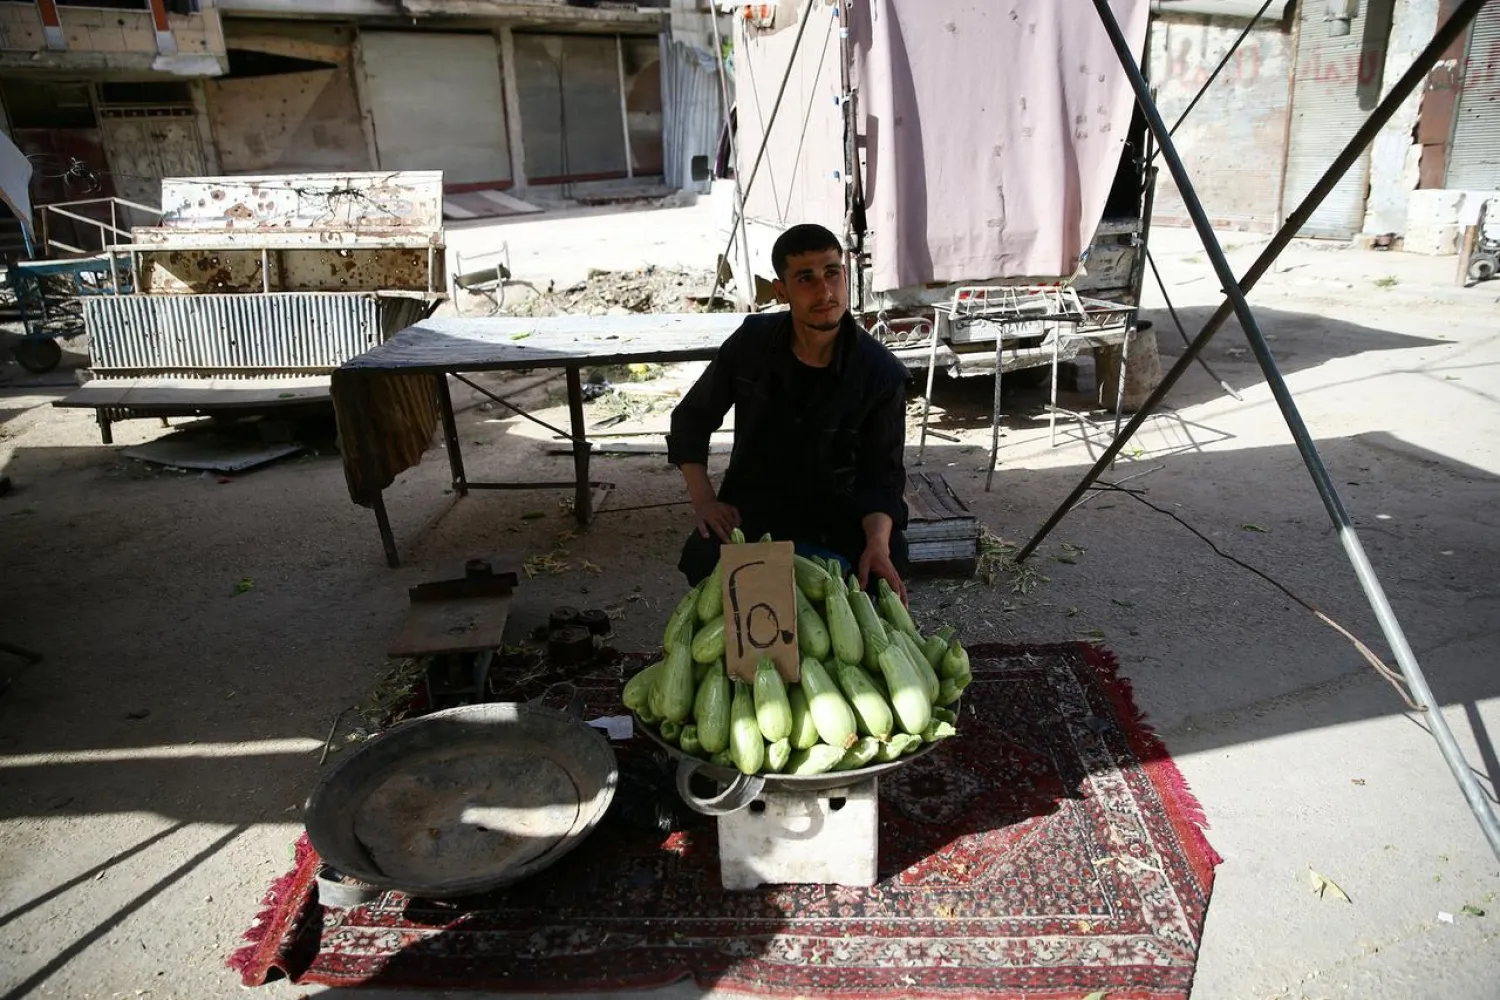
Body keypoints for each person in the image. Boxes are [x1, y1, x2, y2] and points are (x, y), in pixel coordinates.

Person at [666, 223, 911, 603]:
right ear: (781, 291)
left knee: (888, 560)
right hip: (757, 507)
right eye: (806, 278)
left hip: (839, 515)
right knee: (704, 555)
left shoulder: (881, 373)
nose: (825, 292)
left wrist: (877, 543)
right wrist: (704, 501)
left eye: (832, 273)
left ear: (846, 275)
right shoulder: (752, 343)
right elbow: (691, 419)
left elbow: (882, 477)